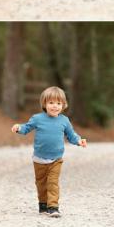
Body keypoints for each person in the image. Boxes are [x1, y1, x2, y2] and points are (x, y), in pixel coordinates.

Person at [11, 86, 87, 218]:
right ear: (44, 104)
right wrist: (18, 128)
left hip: (56, 159)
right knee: (41, 183)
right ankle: (43, 204)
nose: (55, 106)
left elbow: (71, 135)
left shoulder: (64, 120)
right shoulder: (37, 118)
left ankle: (53, 207)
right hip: (39, 159)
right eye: (51, 103)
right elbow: (26, 128)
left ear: (64, 105)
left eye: (58, 103)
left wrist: (79, 141)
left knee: (52, 182)